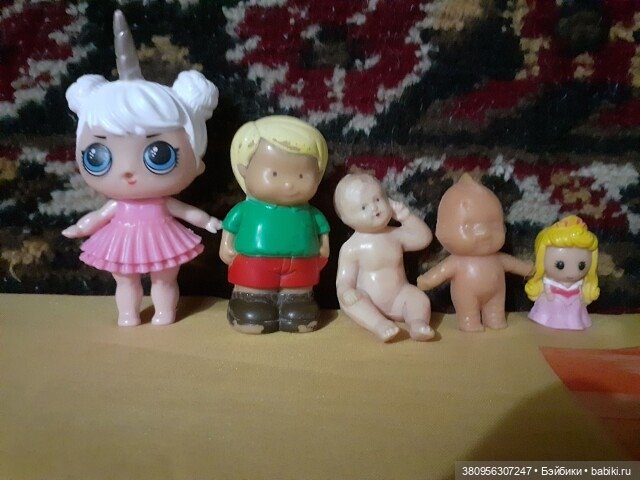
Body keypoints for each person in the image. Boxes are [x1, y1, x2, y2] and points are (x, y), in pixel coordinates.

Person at [62, 10, 220, 326]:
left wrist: (210, 221)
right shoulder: (118, 204)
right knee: (125, 281)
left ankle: (164, 312)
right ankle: (127, 314)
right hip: (121, 239)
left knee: (164, 279)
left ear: (196, 158)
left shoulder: (162, 201)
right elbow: (100, 216)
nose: (127, 170)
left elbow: (188, 213)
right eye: (98, 156)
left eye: (158, 155)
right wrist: (80, 227)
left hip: (163, 237)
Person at [220, 115, 329, 334]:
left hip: (301, 264)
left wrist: (324, 249)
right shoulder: (246, 209)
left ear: (317, 175)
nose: (288, 184)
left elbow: (322, 232)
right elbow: (230, 228)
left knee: (298, 294)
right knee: (254, 291)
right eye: (275, 174)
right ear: (244, 169)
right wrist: (226, 246)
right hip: (254, 263)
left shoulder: (310, 213)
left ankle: (297, 304)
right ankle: (249, 301)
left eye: (301, 175)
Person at [417, 174, 532, 332]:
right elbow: (441, 271)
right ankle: (469, 322)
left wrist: (528, 268)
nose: (484, 233)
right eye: (468, 227)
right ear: (442, 231)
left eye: (493, 225)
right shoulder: (456, 261)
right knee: (468, 313)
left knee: (496, 312)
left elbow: (513, 264)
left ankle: (495, 319)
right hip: (467, 295)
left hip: (496, 294)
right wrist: (428, 280)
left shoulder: (498, 258)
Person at [334, 173, 435, 342]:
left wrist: (403, 215)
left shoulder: (394, 235)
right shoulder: (351, 248)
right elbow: (344, 279)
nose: (374, 208)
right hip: (367, 302)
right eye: (363, 207)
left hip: (399, 296)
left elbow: (423, 238)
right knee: (349, 301)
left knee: (418, 298)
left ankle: (418, 323)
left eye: (378, 199)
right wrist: (346, 290)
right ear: (346, 219)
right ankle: (379, 324)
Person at [525, 215, 599, 330]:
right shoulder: (549, 281)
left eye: (581, 266)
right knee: (556, 306)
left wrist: (581, 294)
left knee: (575, 308)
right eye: (560, 265)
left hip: (574, 297)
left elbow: (580, 288)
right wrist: (549, 293)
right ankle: (555, 321)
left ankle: (575, 321)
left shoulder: (579, 282)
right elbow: (547, 286)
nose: (572, 273)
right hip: (554, 298)